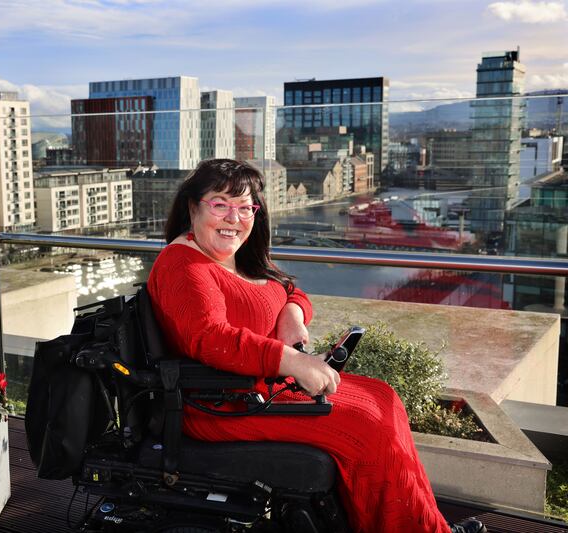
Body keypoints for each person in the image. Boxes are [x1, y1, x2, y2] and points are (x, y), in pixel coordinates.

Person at [146, 159, 485, 533]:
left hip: (257, 390)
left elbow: (289, 289)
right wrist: (291, 361)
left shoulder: (229, 257)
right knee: (366, 424)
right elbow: (211, 339)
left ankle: (422, 524)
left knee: (383, 398)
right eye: (221, 204)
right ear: (193, 206)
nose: (235, 218)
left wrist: (291, 314)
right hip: (221, 407)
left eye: (245, 208)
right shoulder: (184, 265)